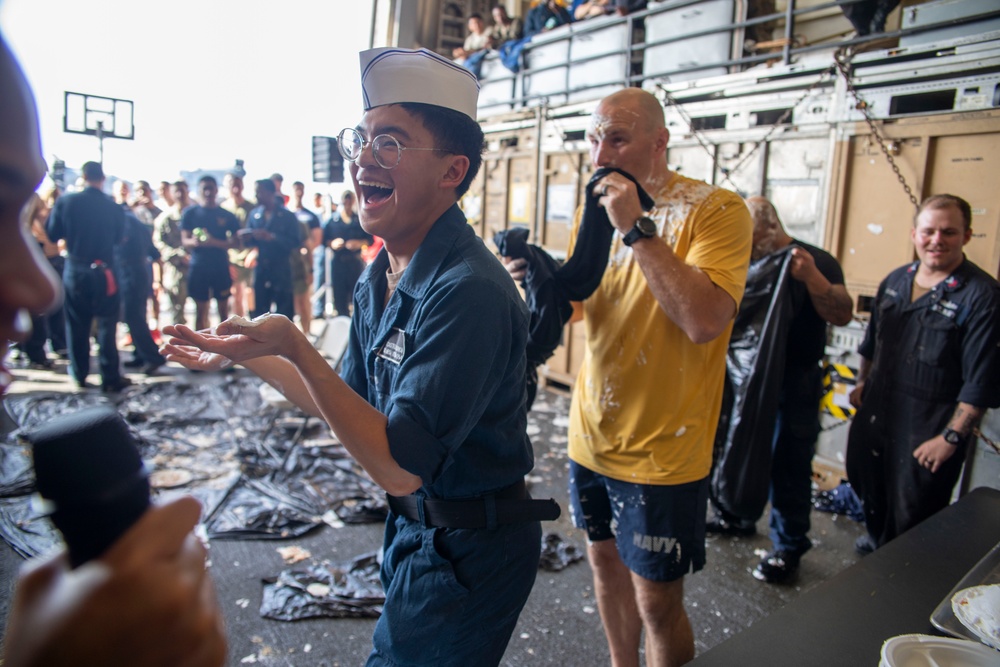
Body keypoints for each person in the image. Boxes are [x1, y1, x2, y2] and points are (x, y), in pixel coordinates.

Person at [164, 46, 556, 667]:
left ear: (453, 171)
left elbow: (400, 466)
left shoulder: (470, 292)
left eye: (391, 144)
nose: (364, 160)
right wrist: (243, 353)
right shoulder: (381, 274)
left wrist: (295, 341)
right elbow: (347, 404)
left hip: (473, 542)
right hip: (418, 529)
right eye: (363, 140)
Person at [0, 31, 226, 667]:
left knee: (80, 333)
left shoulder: (69, 209)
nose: (32, 291)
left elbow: (60, 244)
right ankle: (99, 377)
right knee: (102, 337)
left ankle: (80, 376)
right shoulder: (108, 209)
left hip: (85, 270)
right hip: (106, 275)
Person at [505, 87, 751, 665]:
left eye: (617, 138)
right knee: (604, 566)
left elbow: (705, 320)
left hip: (664, 450)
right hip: (592, 433)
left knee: (657, 601)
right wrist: (537, 279)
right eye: (594, 139)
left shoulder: (715, 210)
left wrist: (638, 230)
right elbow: (586, 304)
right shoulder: (598, 213)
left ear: (659, 142)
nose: (600, 156)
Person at [706, 197, 853, 583]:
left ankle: (788, 546)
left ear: (771, 229)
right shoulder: (743, 257)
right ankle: (736, 514)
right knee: (736, 445)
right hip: (743, 374)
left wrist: (812, 280)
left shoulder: (814, 260)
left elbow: (841, 312)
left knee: (789, 461)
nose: (748, 247)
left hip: (794, 381)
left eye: (751, 239)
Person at [846, 194, 1000, 554]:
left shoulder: (982, 296)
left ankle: (899, 579)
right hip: (877, 418)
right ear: (914, 233)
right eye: (929, 231)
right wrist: (862, 382)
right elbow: (871, 343)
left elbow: (980, 381)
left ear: (967, 236)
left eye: (949, 232)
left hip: (925, 431)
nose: (936, 240)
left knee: (913, 516)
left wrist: (949, 438)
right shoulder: (897, 280)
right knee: (868, 487)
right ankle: (877, 549)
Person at [45, 161, 129, 392]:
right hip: (105, 270)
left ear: (83, 176)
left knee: (76, 324)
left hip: (76, 268)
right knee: (107, 325)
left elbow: (52, 235)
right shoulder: (112, 206)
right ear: (102, 178)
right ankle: (110, 375)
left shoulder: (67, 202)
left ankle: (80, 374)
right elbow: (119, 239)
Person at [181, 176, 240, 331]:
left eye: (211, 188)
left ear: (216, 190)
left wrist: (214, 242)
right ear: (199, 191)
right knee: (200, 311)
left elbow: (236, 242)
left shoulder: (227, 215)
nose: (208, 192)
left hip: (220, 266)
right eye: (204, 189)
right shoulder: (190, 214)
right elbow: (184, 240)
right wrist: (195, 242)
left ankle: (226, 347)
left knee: (223, 311)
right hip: (199, 267)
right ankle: (201, 347)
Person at [116, 201, 167, 374]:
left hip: (130, 272)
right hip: (139, 271)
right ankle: (140, 354)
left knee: (134, 317)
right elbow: (154, 253)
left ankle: (152, 357)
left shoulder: (124, 222)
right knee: (136, 317)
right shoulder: (137, 222)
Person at [242, 178, 300, 319]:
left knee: (284, 311)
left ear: (270, 193)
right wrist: (248, 238)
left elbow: (295, 242)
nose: (257, 196)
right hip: (261, 268)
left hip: (281, 269)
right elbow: (249, 243)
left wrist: (272, 237)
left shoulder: (287, 216)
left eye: (260, 192)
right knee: (260, 314)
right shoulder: (255, 215)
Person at [322, 189, 370, 317]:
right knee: (339, 296)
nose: (347, 202)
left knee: (357, 295)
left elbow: (369, 240)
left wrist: (358, 243)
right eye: (345, 199)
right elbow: (324, 240)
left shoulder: (359, 220)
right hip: (338, 262)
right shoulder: (332, 221)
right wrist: (332, 243)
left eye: (350, 199)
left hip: (354, 261)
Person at [154, 180, 193, 326]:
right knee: (177, 309)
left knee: (203, 307)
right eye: (176, 191)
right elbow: (159, 243)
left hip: (196, 267)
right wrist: (177, 255)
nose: (180, 194)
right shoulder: (165, 219)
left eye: (183, 190)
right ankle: (180, 343)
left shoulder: (196, 214)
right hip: (175, 269)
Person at [220, 172, 255, 318]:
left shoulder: (252, 207)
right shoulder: (222, 209)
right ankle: (239, 326)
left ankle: (253, 322)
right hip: (232, 258)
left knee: (251, 291)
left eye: (238, 184)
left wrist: (254, 252)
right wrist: (227, 261)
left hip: (250, 256)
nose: (235, 188)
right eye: (232, 184)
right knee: (236, 293)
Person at [290, 180, 321, 333]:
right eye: (296, 189)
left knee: (304, 303)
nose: (298, 192)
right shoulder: (287, 214)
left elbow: (311, 245)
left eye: (300, 189)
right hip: (284, 270)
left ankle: (306, 336)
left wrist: (310, 269)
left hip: (300, 268)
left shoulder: (309, 217)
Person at [453, 13, 494, 78]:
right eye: (474, 23)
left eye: (478, 22)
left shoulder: (489, 30)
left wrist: (470, 52)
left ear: (482, 22)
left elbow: (486, 46)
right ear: (469, 26)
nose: (477, 25)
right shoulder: (469, 39)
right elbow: (466, 53)